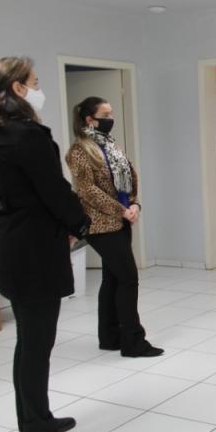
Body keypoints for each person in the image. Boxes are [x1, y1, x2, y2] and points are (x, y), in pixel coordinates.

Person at [0, 56, 92, 432]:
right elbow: (54, 191)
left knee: (28, 343)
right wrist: (80, 222)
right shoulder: (27, 135)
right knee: (36, 345)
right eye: (35, 82)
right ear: (18, 88)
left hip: (10, 246)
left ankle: (35, 421)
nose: (40, 89)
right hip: (33, 251)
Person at [66, 97, 163, 358]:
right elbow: (87, 190)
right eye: (106, 114)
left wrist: (134, 204)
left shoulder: (111, 145)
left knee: (112, 278)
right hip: (101, 225)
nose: (111, 119)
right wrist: (121, 209)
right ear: (90, 120)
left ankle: (109, 337)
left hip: (121, 220)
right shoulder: (79, 151)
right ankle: (133, 342)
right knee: (128, 278)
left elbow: (128, 179)